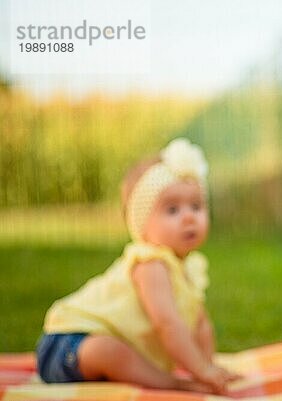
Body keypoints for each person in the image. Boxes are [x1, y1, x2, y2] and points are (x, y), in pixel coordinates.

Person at [36, 138, 241, 394]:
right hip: (66, 343)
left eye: (196, 206)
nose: (189, 216)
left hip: (100, 350)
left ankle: (165, 378)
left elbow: (200, 326)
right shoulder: (150, 263)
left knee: (119, 352)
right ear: (142, 225)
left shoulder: (191, 268)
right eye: (173, 209)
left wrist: (210, 368)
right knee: (110, 350)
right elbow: (168, 323)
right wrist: (201, 371)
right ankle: (174, 384)